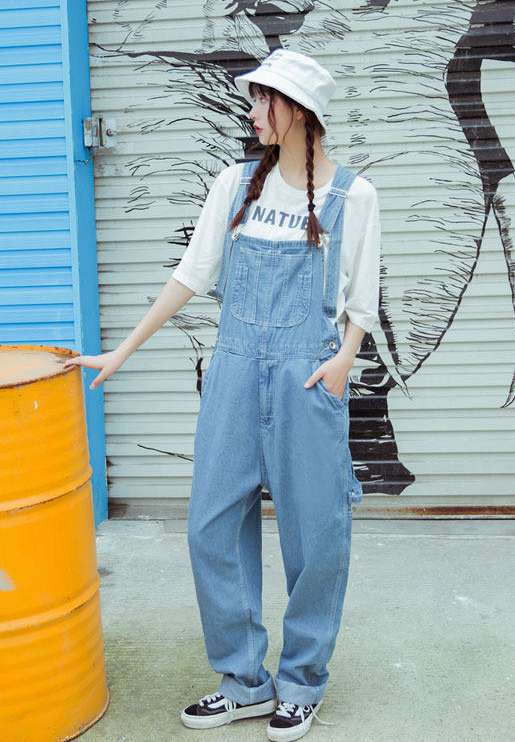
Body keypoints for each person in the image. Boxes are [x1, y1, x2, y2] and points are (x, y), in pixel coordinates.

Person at [65, 49, 380, 741]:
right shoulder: (234, 184)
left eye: (264, 99)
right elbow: (192, 274)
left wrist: (343, 363)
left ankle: (301, 682)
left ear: (298, 110)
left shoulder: (352, 196)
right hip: (234, 372)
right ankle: (243, 681)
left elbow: (362, 299)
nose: (253, 111)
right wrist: (123, 349)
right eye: (253, 98)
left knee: (317, 534)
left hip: (307, 377)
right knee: (211, 524)